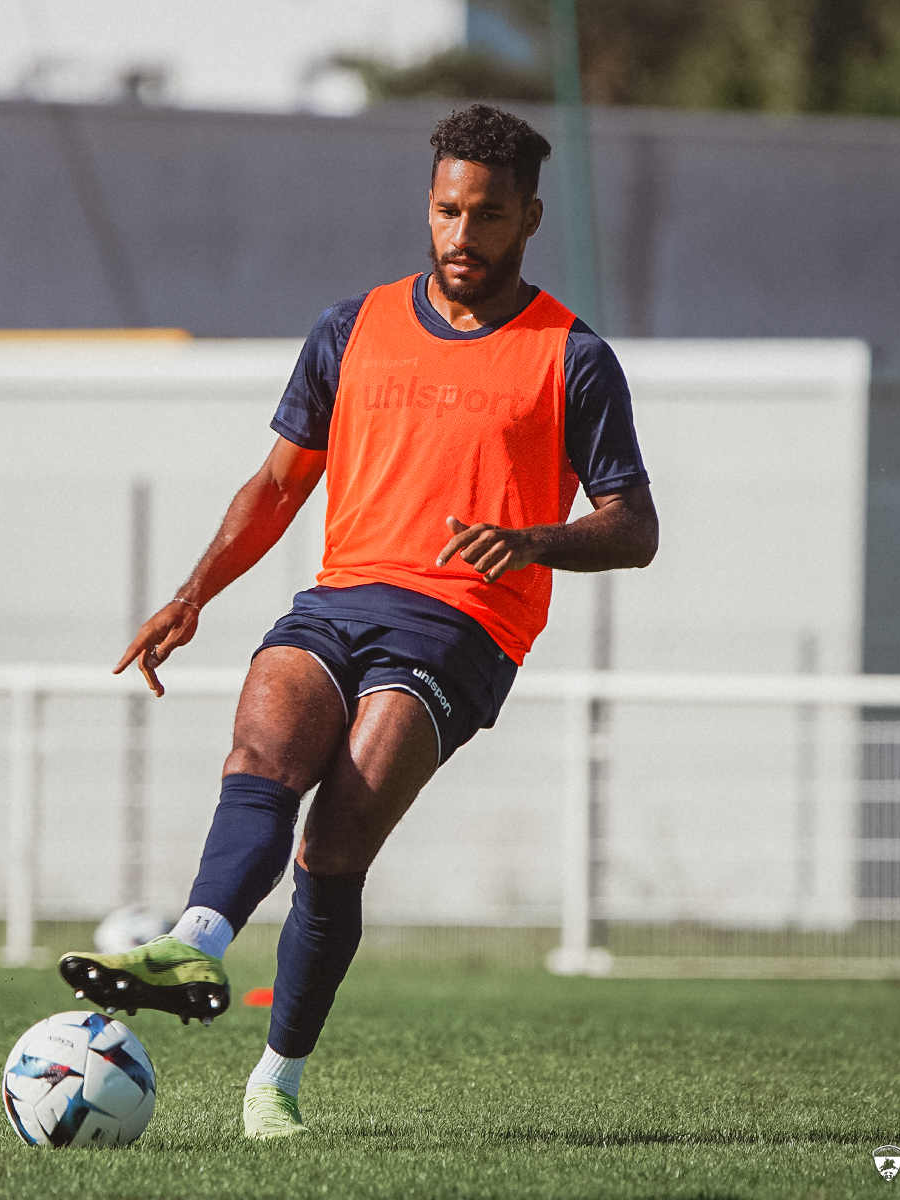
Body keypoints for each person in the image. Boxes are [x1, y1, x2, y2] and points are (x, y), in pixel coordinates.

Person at [59, 103, 658, 1140]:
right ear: (428, 206)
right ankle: (195, 941)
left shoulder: (572, 356)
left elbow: (634, 527)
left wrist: (534, 540)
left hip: (462, 627)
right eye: (447, 211)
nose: (463, 234)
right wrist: (193, 594)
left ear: (528, 218)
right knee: (264, 744)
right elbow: (277, 484)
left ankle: (274, 1083)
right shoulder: (351, 329)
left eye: (488, 215)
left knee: (334, 842)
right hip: (337, 602)